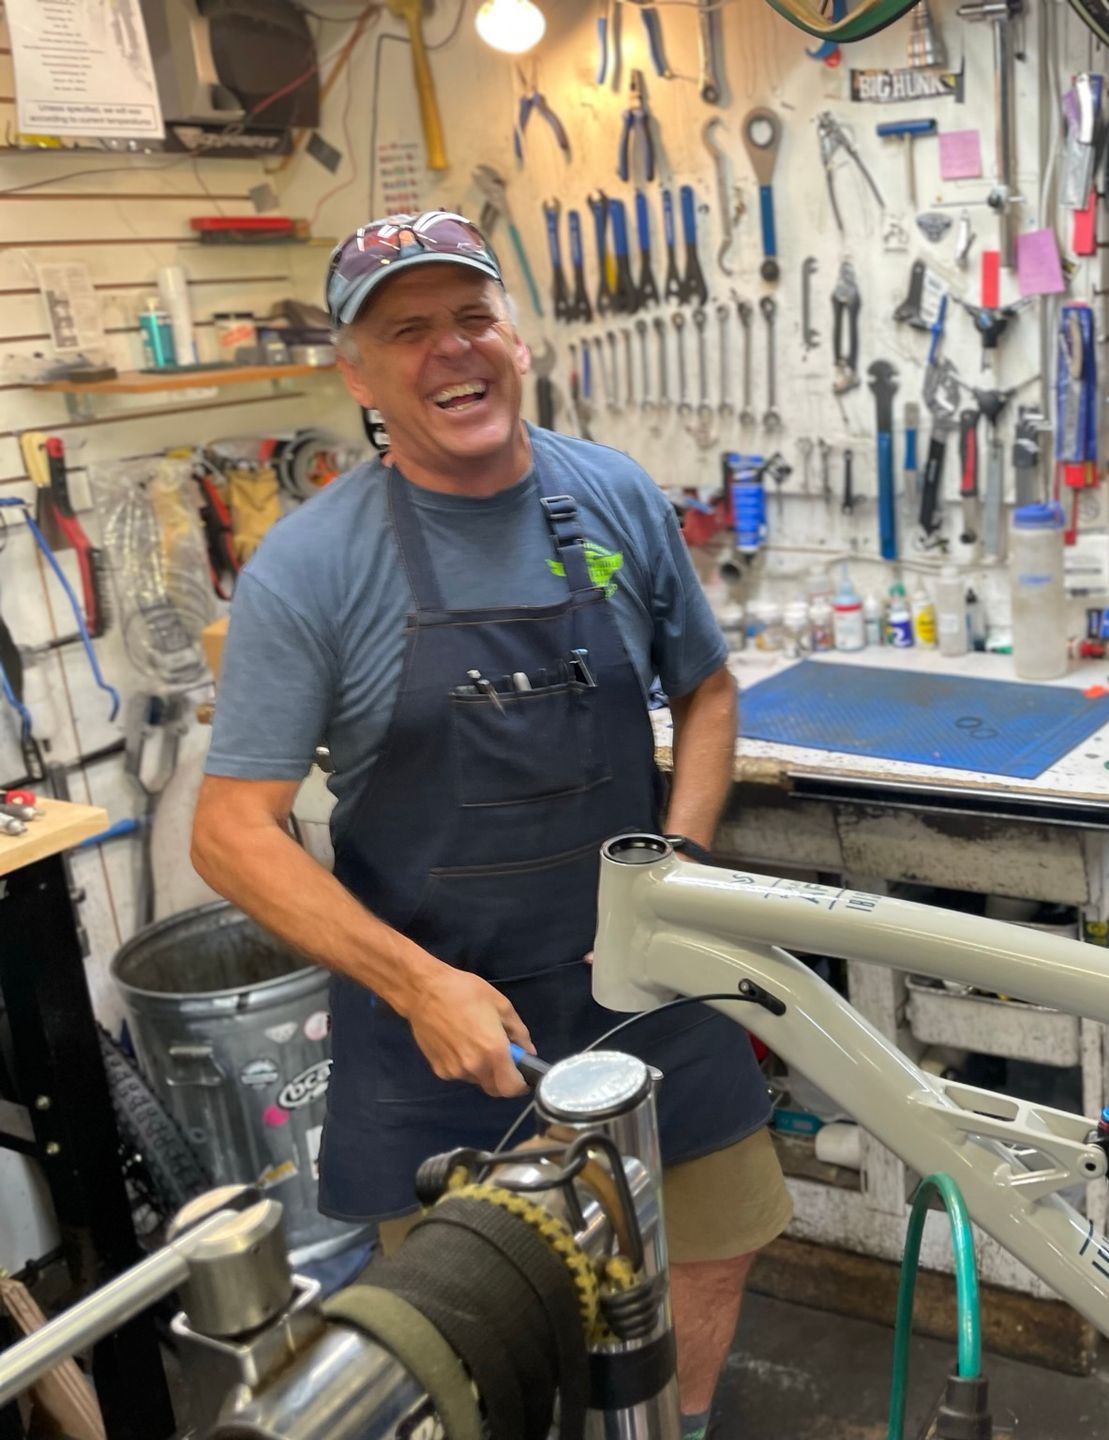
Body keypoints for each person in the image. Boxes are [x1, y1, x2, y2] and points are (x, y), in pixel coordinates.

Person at [192, 211, 788, 1438]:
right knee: (479, 1338)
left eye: (472, 316)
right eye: (406, 330)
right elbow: (229, 832)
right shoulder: (308, 569)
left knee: (717, 1242)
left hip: (647, 998)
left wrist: (677, 865)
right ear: (355, 373)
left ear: (515, 335)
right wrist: (415, 985)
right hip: (443, 1040)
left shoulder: (612, 493)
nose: (450, 351)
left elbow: (708, 690)